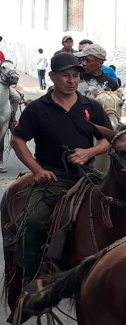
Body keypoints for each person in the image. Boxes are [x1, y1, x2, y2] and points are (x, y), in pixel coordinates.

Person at [11, 53, 112, 284]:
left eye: (75, 76)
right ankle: (32, 279)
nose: (71, 81)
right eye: (65, 75)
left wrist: (89, 152)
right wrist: (37, 171)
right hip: (53, 177)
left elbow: (108, 139)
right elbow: (17, 141)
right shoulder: (38, 108)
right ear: (52, 77)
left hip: (87, 176)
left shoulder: (91, 107)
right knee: (35, 220)